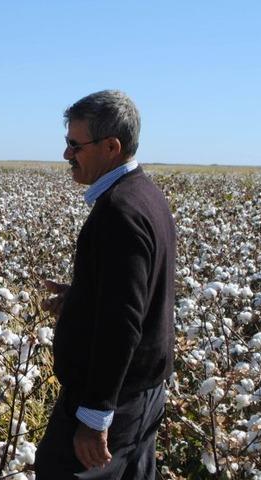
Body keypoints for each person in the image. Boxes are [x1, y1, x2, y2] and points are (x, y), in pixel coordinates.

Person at [35, 90, 176, 479]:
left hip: (116, 402)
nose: (66, 155)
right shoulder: (147, 196)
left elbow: (122, 321)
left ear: (111, 146)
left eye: (74, 145)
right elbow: (135, 295)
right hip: (142, 395)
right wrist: (81, 298)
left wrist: (95, 415)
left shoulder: (120, 211)